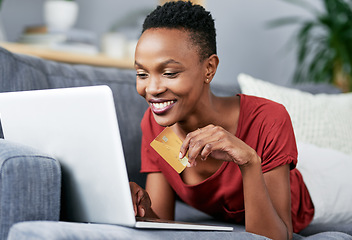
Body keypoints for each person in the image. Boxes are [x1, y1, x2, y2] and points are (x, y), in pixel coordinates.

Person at [130, 1, 314, 239]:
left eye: (169, 73)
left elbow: (278, 236)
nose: (152, 88)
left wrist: (249, 162)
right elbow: (163, 224)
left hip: (320, 190)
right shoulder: (157, 125)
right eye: (142, 74)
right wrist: (143, 209)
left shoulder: (268, 120)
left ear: (209, 69)